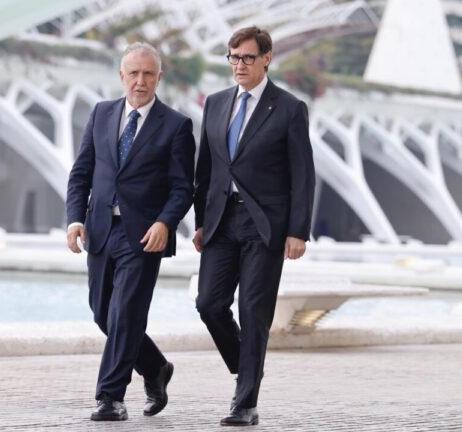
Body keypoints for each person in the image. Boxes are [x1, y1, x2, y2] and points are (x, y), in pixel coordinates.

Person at [66, 42, 196, 421]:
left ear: (159, 77)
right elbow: (82, 173)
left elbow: (182, 187)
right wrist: (75, 219)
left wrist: (165, 222)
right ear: (122, 76)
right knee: (102, 313)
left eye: (148, 74)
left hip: (144, 235)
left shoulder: (176, 125)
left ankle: (110, 396)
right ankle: (155, 366)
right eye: (134, 73)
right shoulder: (102, 113)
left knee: (125, 313)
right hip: (100, 229)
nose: (140, 81)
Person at [193, 26, 314, 426]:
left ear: (266, 58)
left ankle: (245, 403)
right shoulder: (215, 103)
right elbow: (206, 171)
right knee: (209, 304)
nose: (239, 65)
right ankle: (249, 366)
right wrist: (200, 223)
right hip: (221, 222)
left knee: (253, 311)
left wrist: (298, 231)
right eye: (233, 57)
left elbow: (302, 175)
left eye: (246, 57)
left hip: (265, 224)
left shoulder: (289, 108)